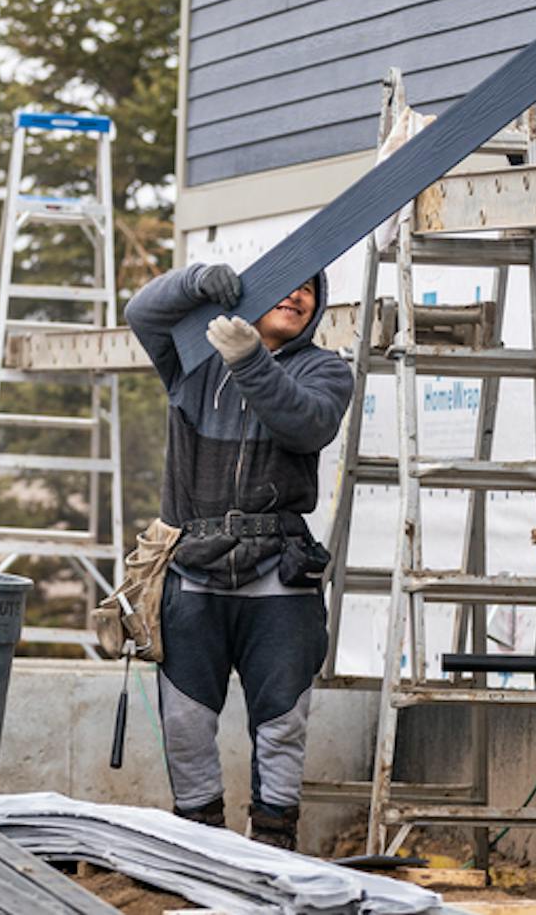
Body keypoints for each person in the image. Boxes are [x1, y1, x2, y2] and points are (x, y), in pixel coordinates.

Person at [124, 262, 353, 850]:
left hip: (278, 575)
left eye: (309, 290)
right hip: (192, 569)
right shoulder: (190, 362)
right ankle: (199, 850)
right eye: (287, 283)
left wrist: (249, 360)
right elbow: (142, 312)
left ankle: (275, 854)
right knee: (186, 722)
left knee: (281, 723)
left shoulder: (325, 370)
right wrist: (198, 281)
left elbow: (305, 426)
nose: (298, 296)